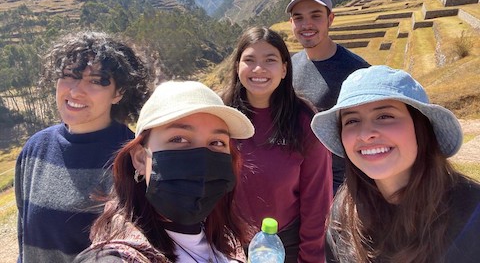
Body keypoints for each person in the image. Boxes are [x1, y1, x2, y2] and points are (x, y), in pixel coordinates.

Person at [310, 65, 480, 263]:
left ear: (421, 128)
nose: (365, 134)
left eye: (384, 116)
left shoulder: (472, 211)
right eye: (352, 121)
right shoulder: (344, 212)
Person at [74, 80, 255, 262]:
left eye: (217, 142)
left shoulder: (226, 239)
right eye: (178, 139)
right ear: (140, 158)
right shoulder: (117, 257)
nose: (202, 161)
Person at [15, 31, 152, 262]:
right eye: (69, 75)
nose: (76, 90)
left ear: (119, 92)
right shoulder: (35, 149)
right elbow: (24, 238)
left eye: (96, 81)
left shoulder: (132, 159)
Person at [221, 26, 333, 262]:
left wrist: (311, 258)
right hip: (225, 242)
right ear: (237, 66)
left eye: (269, 60)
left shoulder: (304, 122)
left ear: (284, 68)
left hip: (284, 246)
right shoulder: (220, 117)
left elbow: (317, 202)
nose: (258, 69)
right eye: (249, 60)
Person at [286, 0, 370, 194]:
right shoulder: (290, 65)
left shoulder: (356, 71)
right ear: (291, 24)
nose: (306, 25)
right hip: (295, 179)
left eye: (315, 16)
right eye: (299, 18)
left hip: (337, 185)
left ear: (330, 19)